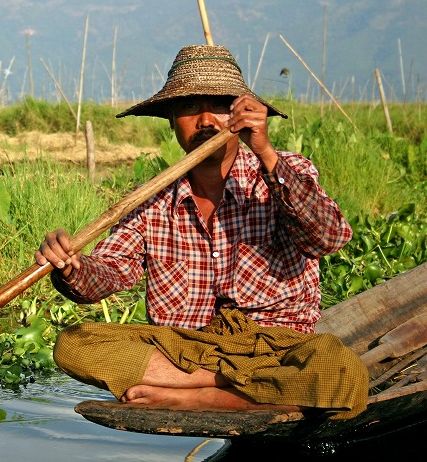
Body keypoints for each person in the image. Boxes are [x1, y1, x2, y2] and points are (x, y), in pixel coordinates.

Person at [35, 44, 368, 418]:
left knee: (343, 373)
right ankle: (238, 390)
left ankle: (200, 396)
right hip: (186, 349)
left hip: (273, 348)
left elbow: (329, 238)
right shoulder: (152, 200)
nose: (206, 120)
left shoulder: (284, 172)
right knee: (74, 345)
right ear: (172, 119)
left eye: (219, 106)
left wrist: (266, 153)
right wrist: (70, 266)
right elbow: (108, 273)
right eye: (190, 107)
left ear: (241, 115)